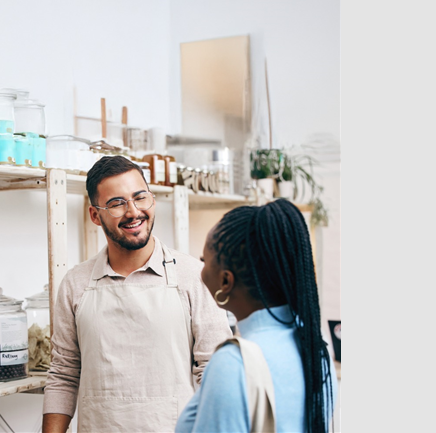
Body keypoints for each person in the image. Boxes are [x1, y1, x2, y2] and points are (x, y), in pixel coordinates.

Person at [42, 156, 232, 433]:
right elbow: (64, 375)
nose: (133, 212)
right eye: (117, 203)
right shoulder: (76, 283)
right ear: (95, 215)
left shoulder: (193, 275)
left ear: (152, 200)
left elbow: (215, 373)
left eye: (140, 198)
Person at [175, 199, 338, 433]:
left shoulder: (234, 363)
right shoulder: (315, 346)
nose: (200, 271)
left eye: (204, 261)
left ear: (225, 282)